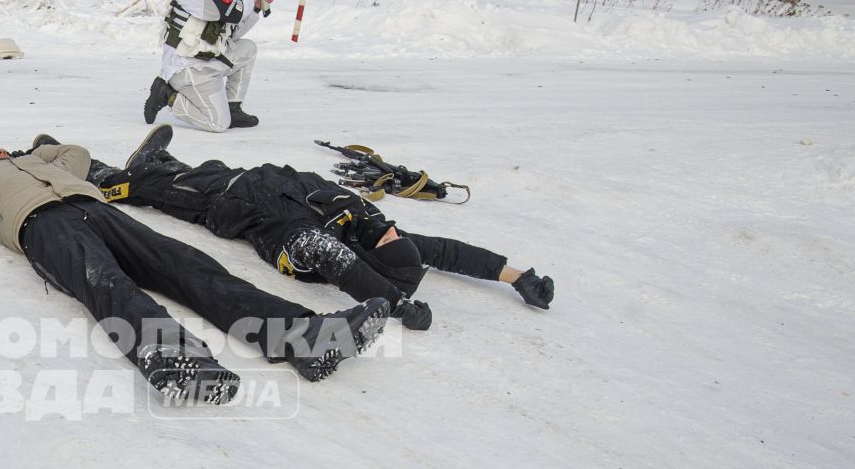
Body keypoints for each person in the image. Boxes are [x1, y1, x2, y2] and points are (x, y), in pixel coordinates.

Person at [0, 133, 389, 404]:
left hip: (98, 209)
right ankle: (176, 359)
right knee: (107, 284)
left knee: (189, 266)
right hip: (42, 228)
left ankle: (303, 337)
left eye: (0, 149)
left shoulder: (49, 162)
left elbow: (77, 152)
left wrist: (37, 150)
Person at [88, 128, 555, 330]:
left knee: (154, 188)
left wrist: (395, 305)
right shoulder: (375, 230)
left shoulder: (313, 247)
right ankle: (160, 164)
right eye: (393, 233)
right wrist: (516, 277)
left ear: (374, 256)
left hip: (226, 202)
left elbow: (343, 266)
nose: (390, 229)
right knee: (193, 171)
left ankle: (100, 174)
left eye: (387, 240)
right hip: (257, 177)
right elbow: (450, 252)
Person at [142, 0, 277, 132]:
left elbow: (232, 33)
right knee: (218, 123)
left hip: (206, 59)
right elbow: (235, 11)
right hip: (187, 67)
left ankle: (234, 108)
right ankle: (168, 95)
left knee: (247, 49)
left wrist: (255, 7)